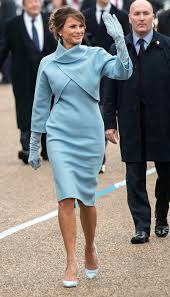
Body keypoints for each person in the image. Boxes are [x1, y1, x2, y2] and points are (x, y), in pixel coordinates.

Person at [28, 6, 132, 287]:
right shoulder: (47, 64)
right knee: (65, 197)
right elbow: (40, 105)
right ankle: (71, 261)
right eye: (72, 27)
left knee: (87, 199)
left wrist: (120, 40)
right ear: (59, 30)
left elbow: (124, 72)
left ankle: (89, 248)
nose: (78, 31)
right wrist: (34, 143)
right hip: (60, 134)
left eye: (81, 26)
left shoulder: (96, 55)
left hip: (89, 134)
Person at [103, 0, 170, 244]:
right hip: (131, 121)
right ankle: (142, 226)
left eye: (146, 13)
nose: (141, 18)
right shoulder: (117, 48)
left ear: (154, 17)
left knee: (167, 175)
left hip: (163, 123)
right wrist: (109, 123)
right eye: (137, 14)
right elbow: (108, 89)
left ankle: (162, 215)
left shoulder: (167, 47)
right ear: (129, 18)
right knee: (134, 176)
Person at [0, 0, 56, 164]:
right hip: (23, 78)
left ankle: (47, 149)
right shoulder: (12, 25)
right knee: (25, 112)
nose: (34, 5)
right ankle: (27, 148)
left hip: (49, 77)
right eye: (30, 2)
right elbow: (3, 48)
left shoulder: (50, 21)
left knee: (49, 109)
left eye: (37, 1)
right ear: (23, 5)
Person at [83, 0, 129, 173]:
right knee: (89, 114)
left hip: (111, 72)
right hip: (89, 71)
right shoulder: (85, 14)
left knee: (102, 113)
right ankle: (94, 155)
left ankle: (99, 156)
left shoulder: (122, 15)